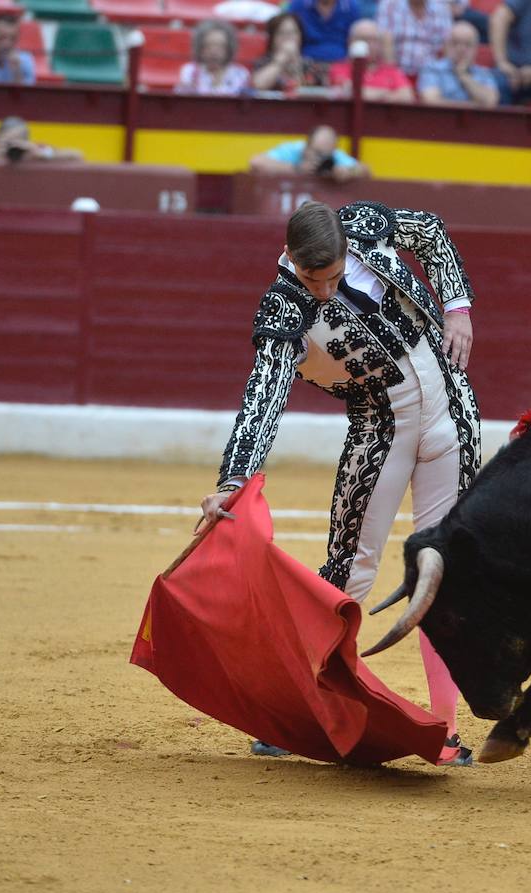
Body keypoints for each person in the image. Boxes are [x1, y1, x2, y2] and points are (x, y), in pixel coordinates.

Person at [198, 200, 481, 764]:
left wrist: (457, 308)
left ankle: (445, 725)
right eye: (312, 278)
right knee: (351, 567)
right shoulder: (284, 310)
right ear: (291, 258)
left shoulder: (364, 226)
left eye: (332, 276)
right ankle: (303, 711)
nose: (324, 290)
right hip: (381, 426)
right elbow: (264, 397)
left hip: (452, 409)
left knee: (446, 568)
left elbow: (429, 229)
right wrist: (234, 477)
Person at [327, 18, 416, 101]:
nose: (369, 44)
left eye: (374, 40)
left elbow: (407, 96)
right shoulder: (339, 68)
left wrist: (372, 93)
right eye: (364, 39)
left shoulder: (391, 70)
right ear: (351, 41)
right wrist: (387, 93)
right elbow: (350, 92)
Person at [250, 124, 371, 182]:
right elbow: (256, 162)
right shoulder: (293, 150)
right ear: (306, 147)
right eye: (317, 153)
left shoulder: (334, 156)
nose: (321, 159)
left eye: (325, 155)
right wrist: (296, 169)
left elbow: (365, 170)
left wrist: (347, 172)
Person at [418, 20, 499, 106]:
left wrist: (463, 76)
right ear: (446, 46)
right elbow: (431, 102)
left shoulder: (483, 73)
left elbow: (491, 102)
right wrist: (476, 105)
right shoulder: (432, 69)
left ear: (476, 49)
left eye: (467, 44)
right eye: (455, 43)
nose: (461, 49)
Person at [250, 12, 325, 94]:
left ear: (301, 36)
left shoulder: (310, 64)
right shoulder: (263, 62)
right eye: (281, 33)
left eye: (293, 32)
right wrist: (280, 61)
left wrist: (296, 65)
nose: (288, 37)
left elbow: (321, 90)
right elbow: (258, 85)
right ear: (272, 38)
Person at [377, 0, 453, 79]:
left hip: (432, 75)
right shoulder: (389, 5)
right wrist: (394, 77)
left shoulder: (441, 8)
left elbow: (448, 44)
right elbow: (383, 42)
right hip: (398, 73)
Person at [176, 19, 251, 96]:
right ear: (200, 47)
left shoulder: (240, 74)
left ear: (229, 48)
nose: (213, 52)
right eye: (208, 46)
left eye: (220, 46)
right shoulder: (190, 71)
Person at [0, 115, 83, 163]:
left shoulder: (34, 151)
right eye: (7, 142)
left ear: (25, 142)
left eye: (16, 140)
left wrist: (45, 154)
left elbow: (77, 155)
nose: (12, 146)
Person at [289, 0, 362, 65]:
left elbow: (356, 37)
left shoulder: (351, 6)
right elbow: (288, 30)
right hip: (304, 62)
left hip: (341, 64)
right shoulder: (299, 4)